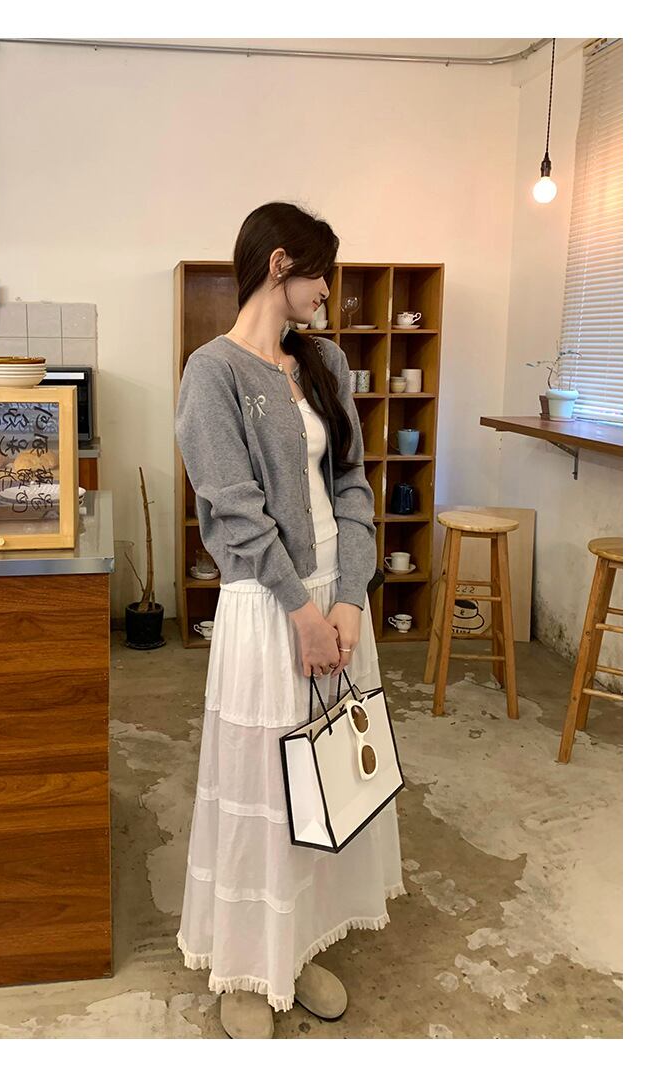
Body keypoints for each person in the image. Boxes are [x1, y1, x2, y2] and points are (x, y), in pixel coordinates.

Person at [173, 201, 405, 1039]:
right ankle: (246, 963)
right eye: (320, 275)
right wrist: (303, 611)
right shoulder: (212, 373)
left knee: (326, 777)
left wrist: (348, 597)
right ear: (279, 264)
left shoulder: (325, 361)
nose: (326, 293)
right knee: (260, 786)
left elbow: (354, 484)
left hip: (334, 604)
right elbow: (233, 510)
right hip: (269, 610)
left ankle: (297, 942)